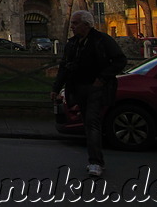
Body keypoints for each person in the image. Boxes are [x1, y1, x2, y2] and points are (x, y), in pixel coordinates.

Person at [50, 10, 127, 178]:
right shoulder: (73, 43)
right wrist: (56, 88)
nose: (72, 26)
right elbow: (64, 66)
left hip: (96, 88)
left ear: (87, 25)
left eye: (75, 23)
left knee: (92, 122)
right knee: (87, 122)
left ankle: (95, 162)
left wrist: (102, 78)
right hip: (78, 88)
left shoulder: (102, 40)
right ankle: (95, 159)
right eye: (72, 23)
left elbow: (120, 60)